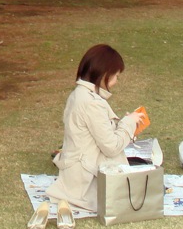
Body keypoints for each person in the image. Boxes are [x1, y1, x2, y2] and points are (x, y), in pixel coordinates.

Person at [43, 44, 144, 219]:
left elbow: (99, 133)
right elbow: (111, 147)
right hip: (85, 179)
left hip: (77, 169)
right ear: (105, 74)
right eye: (116, 76)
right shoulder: (92, 102)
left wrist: (127, 125)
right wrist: (128, 124)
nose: (116, 82)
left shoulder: (79, 94)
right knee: (137, 193)